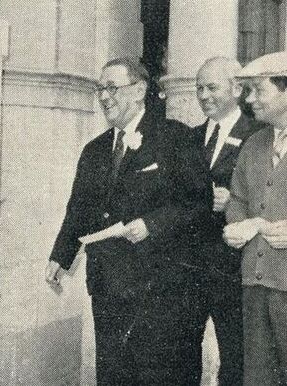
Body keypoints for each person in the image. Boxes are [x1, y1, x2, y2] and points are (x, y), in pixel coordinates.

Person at [45, 57, 212, 385]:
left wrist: (153, 224)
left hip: (162, 291)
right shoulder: (93, 151)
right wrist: (59, 257)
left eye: (112, 88)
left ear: (139, 90)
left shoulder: (175, 138)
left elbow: (199, 204)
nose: (104, 96)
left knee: (160, 376)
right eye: (100, 88)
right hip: (108, 287)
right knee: (114, 375)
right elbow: (77, 211)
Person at [190, 56, 264, 386]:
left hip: (233, 268)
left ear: (236, 89)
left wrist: (231, 203)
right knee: (181, 352)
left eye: (212, 87)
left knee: (236, 357)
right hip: (190, 267)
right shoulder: (189, 139)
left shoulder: (259, 135)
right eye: (199, 88)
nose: (204, 95)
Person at [225, 50, 287, 386]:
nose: (250, 100)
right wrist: (238, 225)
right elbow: (238, 198)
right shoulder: (255, 143)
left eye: (259, 91)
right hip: (255, 284)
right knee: (259, 378)